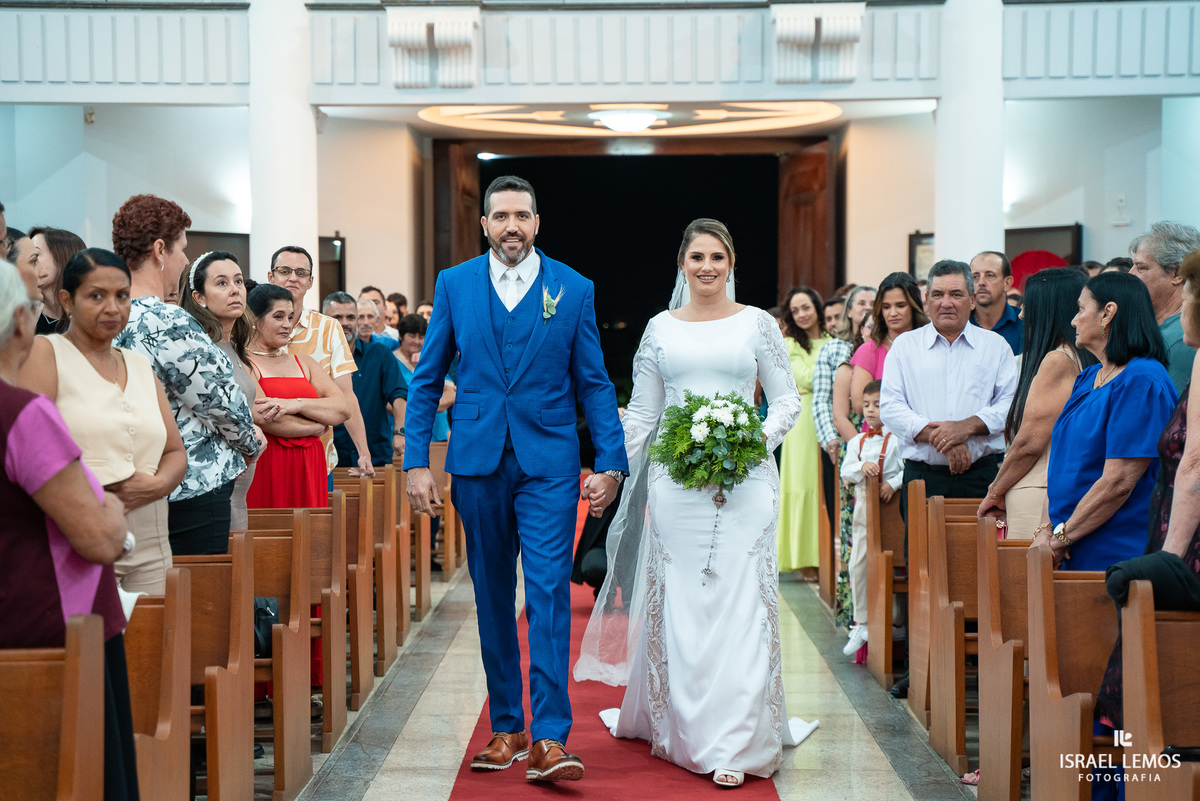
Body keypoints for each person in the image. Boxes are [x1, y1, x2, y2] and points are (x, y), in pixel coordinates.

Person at [405, 175, 627, 782]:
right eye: (500, 216)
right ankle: (506, 727)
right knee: (493, 594)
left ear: (536, 221)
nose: (511, 226)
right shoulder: (454, 285)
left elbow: (595, 383)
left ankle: (551, 738)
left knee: (551, 591)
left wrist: (609, 462)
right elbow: (426, 379)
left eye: (521, 216)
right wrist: (417, 461)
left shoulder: (572, 289)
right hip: (476, 458)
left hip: (549, 463)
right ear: (484, 224)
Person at [577, 218, 809, 787]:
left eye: (718, 257)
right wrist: (613, 470)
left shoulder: (757, 325)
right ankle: (684, 726)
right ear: (682, 263)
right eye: (697, 256)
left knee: (740, 602)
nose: (707, 266)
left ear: (732, 264)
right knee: (683, 599)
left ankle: (735, 739)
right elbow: (645, 415)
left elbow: (786, 402)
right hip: (675, 484)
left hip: (746, 480)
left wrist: (749, 440)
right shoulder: (659, 328)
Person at [0, 259, 140, 800]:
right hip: (51, 626)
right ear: (20, 321)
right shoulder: (21, 412)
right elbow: (98, 537)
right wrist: (111, 510)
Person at [18, 248, 186, 594]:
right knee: (91, 644)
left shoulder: (139, 365)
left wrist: (158, 485)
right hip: (79, 528)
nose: (112, 308)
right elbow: (32, 451)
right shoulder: (47, 353)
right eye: (96, 296)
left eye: (122, 296)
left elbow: (174, 451)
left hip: (152, 532)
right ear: (67, 300)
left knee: (155, 644)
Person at [111, 194, 259, 555]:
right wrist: (251, 444)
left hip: (130, 479)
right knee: (202, 603)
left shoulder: (107, 316)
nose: (186, 260)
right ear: (160, 250)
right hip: (192, 484)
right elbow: (218, 401)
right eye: (182, 248)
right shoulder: (166, 320)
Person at [1095, 247, 1200, 739]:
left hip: (1186, 541)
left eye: (1192, 294)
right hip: (1174, 529)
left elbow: (1194, 464)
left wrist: (1170, 561)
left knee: (1162, 692)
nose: (1183, 309)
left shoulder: (1172, 366)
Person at [1036, 271, 1178, 571]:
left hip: (1114, 545)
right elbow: (1061, 465)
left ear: (1107, 313)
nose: (1073, 320)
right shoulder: (1089, 378)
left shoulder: (1141, 381)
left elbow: (1119, 481)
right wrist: (1045, 529)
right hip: (1071, 538)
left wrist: (1063, 537)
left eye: (1081, 309)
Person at [177, 251, 305, 531]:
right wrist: (252, 440)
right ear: (199, 297)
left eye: (238, 281)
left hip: (238, 491)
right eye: (221, 283)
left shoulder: (233, 347)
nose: (235, 289)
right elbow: (217, 412)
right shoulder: (200, 348)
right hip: (211, 489)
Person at [977, 269, 1094, 538]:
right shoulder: (1083, 358)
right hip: (1052, 487)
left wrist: (994, 491)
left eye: (1030, 304)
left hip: (1036, 487)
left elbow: (1029, 442)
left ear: (1049, 309)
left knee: (1025, 579)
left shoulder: (1059, 359)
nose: (1021, 314)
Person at [267, 245, 374, 476]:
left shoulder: (328, 328)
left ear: (311, 281)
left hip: (317, 456)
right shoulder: (251, 327)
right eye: (284, 271)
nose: (292, 278)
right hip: (265, 456)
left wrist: (363, 451)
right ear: (270, 276)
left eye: (301, 273)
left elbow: (346, 394)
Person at [245, 284, 351, 509]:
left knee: (313, 536)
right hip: (269, 463)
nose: (287, 324)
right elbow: (264, 417)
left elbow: (342, 408)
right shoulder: (243, 363)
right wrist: (315, 427)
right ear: (255, 319)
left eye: (290, 317)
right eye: (278, 316)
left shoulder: (305, 362)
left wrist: (295, 404)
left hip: (311, 463)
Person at [812, 284, 875, 627]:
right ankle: (857, 613)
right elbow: (825, 402)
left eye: (872, 303)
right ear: (850, 311)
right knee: (852, 530)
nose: (866, 309)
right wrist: (835, 442)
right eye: (860, 303)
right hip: (852, 443)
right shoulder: (837, 353)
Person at [840, 380, 903, 656]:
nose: (870, 410)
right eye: (866, 405)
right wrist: (860, 466)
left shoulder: (897, 440)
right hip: (865, 508)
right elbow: (846, 472)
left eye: (877, 405)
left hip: (892, 509)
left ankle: (897, 621)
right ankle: (863, 623)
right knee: (859, 564)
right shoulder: (857, 442)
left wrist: (894, 484)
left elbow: (906, 468)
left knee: (896, 565)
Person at [777, 285, 829, 577]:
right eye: (795, 310)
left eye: (805, 307)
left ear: (817, 307)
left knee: (825, 484)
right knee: (802, 483)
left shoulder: (834, 341)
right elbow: (804, 378)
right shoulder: (789, 345)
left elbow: (812, 378)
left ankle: (827, 554)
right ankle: (804, 559)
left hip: (829, 415)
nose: (801, 314)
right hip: (802, 419)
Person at [327, 295, 407, 468]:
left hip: (375, 458)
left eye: (351, 317)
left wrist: (400, 432)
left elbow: (399, 393)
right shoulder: (314, 360)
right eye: (337, 317)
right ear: (324, 320)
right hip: (330, 460)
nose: (345, 323)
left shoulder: (380, 354)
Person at [1129, 221, 1200, 393]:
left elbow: (1170, 411)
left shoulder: (1184, 337)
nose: (1130, 274)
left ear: (1176, 273)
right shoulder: (1157, 325)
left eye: (1141, 267)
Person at [850, 272, 928, 413]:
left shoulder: (931, 344)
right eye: (886, 307)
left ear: (914, 305)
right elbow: (858, 404)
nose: (892, 313)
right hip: (881, 432)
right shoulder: (868, 351)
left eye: (900, 305)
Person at [29, 226, 86, 334]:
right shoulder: (24, 316)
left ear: (61, 258)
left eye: (35, 254)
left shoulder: (90, 318)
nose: (27, 261)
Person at [969, 251, 1024, 354]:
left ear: (1007, 283)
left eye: (990, 275)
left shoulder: (1024, 324)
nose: (981, 282)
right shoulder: (961, 324)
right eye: (975, 276)